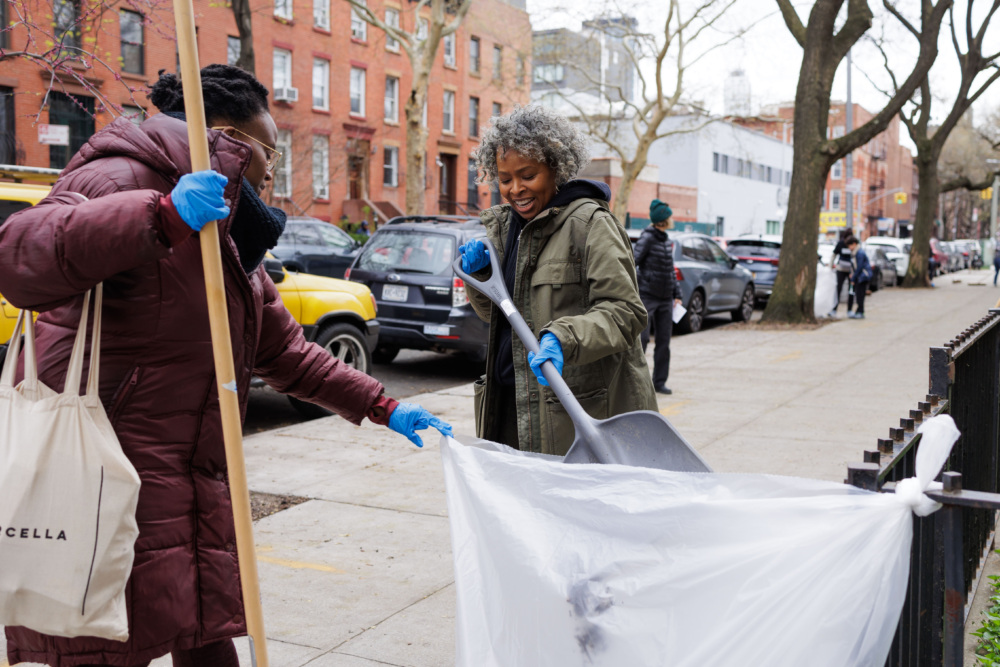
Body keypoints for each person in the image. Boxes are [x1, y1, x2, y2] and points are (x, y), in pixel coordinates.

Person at [0, 65, 451, 667]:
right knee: (104, 644)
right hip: (108, 472)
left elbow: (283, 349)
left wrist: (381, 403)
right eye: (268, 148)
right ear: (223, 136)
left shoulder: (228, 232)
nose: (273, 167)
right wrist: (159, 216)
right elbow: (20, 257)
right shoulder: (118, 176)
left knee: (206, 639)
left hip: (192, 479)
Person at [459, 105, 656, 456]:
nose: (516, 189)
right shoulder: (504, 230)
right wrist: (479, 278)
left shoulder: (590, 224)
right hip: (511, 408)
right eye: (505, 180)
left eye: (528, 175)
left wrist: (564, 338)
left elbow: (626, 312)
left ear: (556, 168)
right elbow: (498, 316)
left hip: (569, 415)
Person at [633, 199, 682, 394]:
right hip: (647, 296)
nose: (672, 219)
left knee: (664, 342)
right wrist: (639, 286)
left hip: (665, 299)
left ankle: (659, 382)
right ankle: (637, 384)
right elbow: (633, 262)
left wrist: (676, 294)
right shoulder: (647, 238)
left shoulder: (666, 240)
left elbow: (670, 269)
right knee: (642, 339)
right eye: (669, 216)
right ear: (663, 219)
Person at [828, 228, 853, 318]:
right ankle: (834, 309)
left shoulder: (852, 244)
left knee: (851, 290)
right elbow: (834, 255)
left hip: (850, 271)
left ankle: (849, 310)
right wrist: (830, 267)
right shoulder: (840, 244)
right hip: (841, 270)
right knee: (838, 289)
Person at [846, 236, 873, 319]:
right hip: (860, 276)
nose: (849, 248)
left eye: (849, 246)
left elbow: (859, 267)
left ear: (854, 244)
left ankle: (860, 312)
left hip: (862, 277)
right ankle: (859, 311)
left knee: (860, 295)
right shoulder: (856, 252)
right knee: (859, 295)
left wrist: (853, 278)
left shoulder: (859, 253)